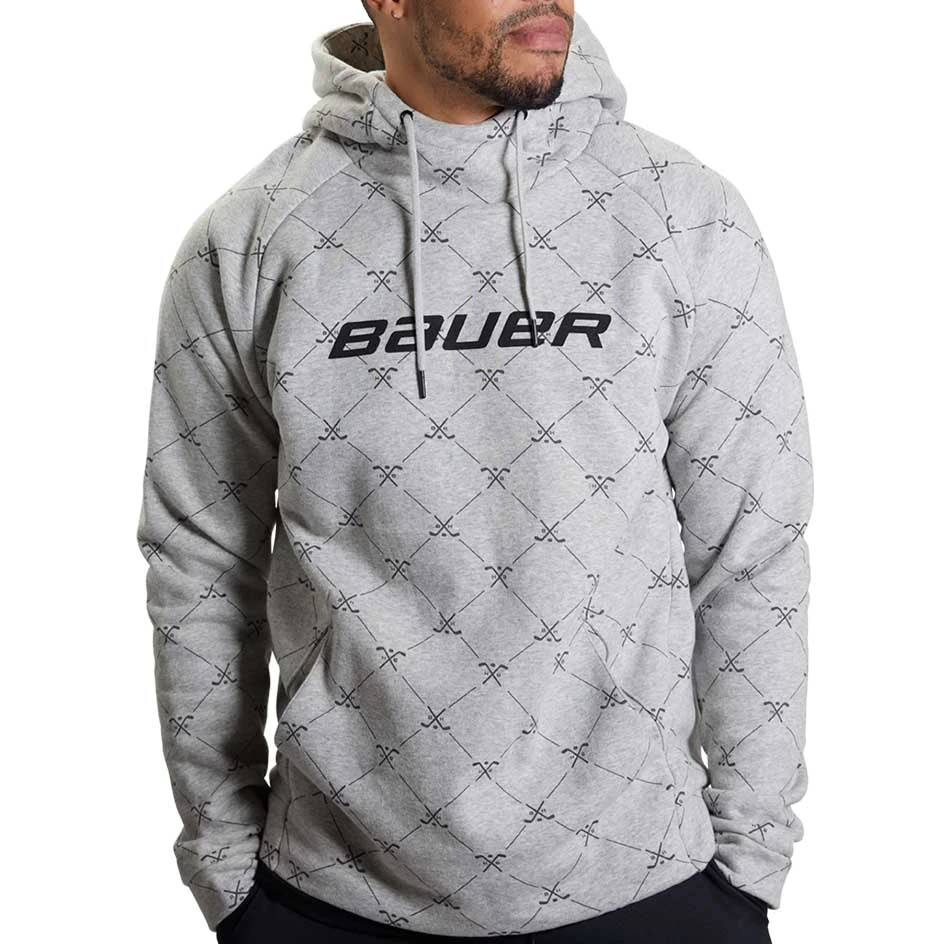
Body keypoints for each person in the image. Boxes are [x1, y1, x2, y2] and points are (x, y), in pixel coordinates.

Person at [136, 2, 813, 942]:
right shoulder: (252, 237)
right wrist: (224, 865)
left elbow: (752, 547)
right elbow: (201, 561)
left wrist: (748, 867)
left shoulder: (682, 212)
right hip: (330, 896)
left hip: (651, 888)